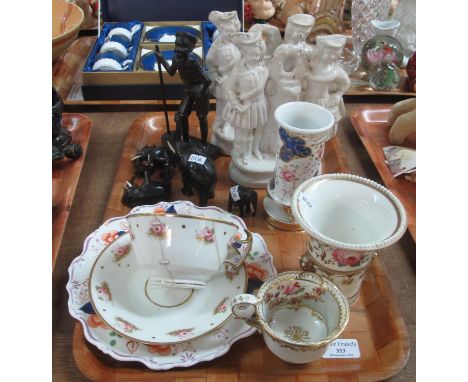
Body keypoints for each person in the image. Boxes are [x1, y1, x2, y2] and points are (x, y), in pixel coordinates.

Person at [155, 31, 211, 146]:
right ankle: (185, 140)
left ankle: (204, 144)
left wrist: (201, 93)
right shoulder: (176, 59)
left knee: (201, 117)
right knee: (182, 115)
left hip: (200, 91)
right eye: (178, 45)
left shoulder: (193, 62)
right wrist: (162, 60)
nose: (179, 49)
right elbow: (171, 72)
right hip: (189, 89)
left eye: (183, 46)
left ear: (191, 48)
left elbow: (207, 81)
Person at [223, 31, 269, 165]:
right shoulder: (238, 71)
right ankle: (244, 153)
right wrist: (236, 103)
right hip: (244, 106)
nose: (254, 57)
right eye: (251, 54)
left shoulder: (263, 70)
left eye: (257, 55)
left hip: (259, 104)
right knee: (245, 133)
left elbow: (261, 87)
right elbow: (229, 88)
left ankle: (256, 150)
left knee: (260, 128)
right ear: (245, 53)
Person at [205, 11, 241, 154]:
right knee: (224, 105)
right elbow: (209, 61)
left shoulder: (236, 42)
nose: (231, 34)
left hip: (237, 79)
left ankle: (231, 123)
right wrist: (214, 74)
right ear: (221, 30)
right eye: (228, 31)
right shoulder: (217, 46)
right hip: (225, 80)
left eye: (233, 31)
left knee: (235, 103)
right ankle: (223, 125)